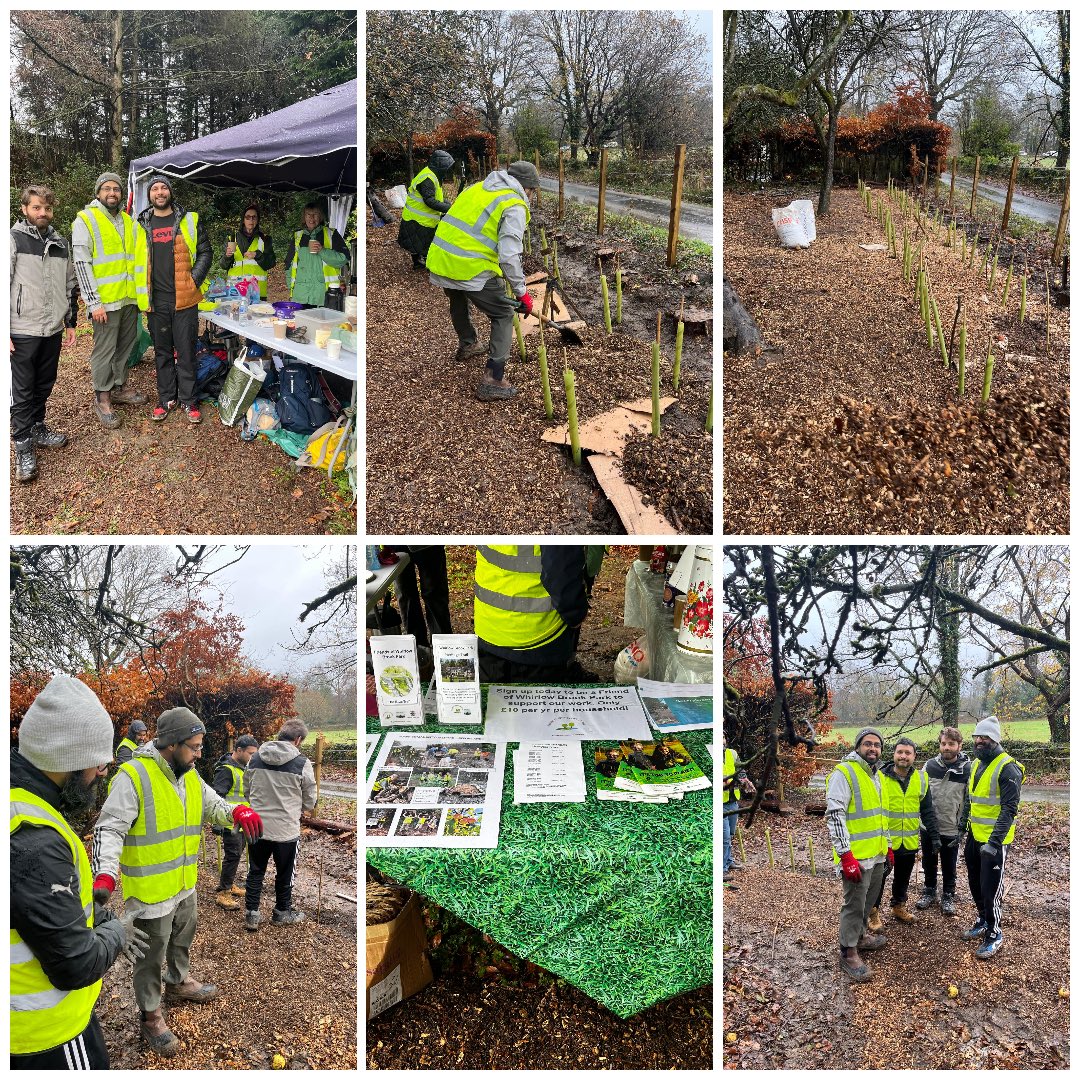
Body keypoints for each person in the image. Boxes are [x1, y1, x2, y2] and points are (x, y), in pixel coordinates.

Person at [92, 707, 263, 1058]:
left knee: (183, 935)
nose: (200, 753)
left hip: (184, 883)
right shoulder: (133, 776)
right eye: (195, 746)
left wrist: (236, 811)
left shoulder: (188, 773)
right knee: (150, 954)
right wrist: (106, 871)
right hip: (151, 891)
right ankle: (151, 1014)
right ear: (171, 744)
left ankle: (178, 982)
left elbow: (212, 804)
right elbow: (108, 828)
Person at [11, 676, 150, 1071]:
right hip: (42, 1037)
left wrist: (97, 915)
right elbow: (75, 963)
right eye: (98, 761)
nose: (103, 772)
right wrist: (115, 931)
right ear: (68, 759)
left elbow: (40, 911)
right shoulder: (34, 839)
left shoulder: (20, 805)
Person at [426, 160, 540, 401]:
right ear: (528, 188)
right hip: (468, 265)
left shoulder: (478, 188)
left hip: (441, 258)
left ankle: (468, 344)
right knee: (502, 314)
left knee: (458, 296)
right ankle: (493, 379)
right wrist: (522, 293)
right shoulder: (514, 204)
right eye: (533, 191)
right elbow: (509, 256)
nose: (531, 195)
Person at [10, 184, 77, 483]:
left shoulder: (61, 242)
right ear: (25, 209)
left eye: (47, 208)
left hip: (52, 328)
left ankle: (37, 426)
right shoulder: (12, 239)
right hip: (22, 328)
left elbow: (69, 284)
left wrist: (70, 321)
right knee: (22, 390)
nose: (42, 213)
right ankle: (22, 446)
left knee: (44, 382)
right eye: (36, 207)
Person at [133, 174, 212, 424]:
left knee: (187, 352)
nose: (159, 192)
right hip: (156, 301)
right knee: (162, 352)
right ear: (149, 195)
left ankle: (189, 401)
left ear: (170, 192)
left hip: (185, 299)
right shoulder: (141, 223)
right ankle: (166, 398)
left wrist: (193, 280)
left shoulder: (189, 219)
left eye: (163, 188)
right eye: (154, 188)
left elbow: (205, 252)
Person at [72, 171, 146, 429]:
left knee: (126, 346)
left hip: (128, 299)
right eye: (107, 189)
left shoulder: (129, 222)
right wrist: (93, 302)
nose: (112, 193)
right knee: (104, 351)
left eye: (116, 189)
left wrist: (140, 298)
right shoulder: (86, 220)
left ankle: (118, 387)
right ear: (98, 193)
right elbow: (82, 264)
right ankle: (102, 398)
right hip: (104, 303)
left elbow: (138, 262)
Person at [825, 727, 893, 982]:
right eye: (867, 743)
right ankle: (848, 950)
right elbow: (835, 815)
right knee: (854, 904)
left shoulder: (877, 777)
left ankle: (861, 936)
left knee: (868, 901)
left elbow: (881, 816)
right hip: (855, 857)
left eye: (877, 744)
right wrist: (845, 855)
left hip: (875, 854)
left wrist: (887, 847)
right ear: (857, 747)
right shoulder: (844, 773)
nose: (873, 748)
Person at [473, 544, 593, 682]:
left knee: (493, 701)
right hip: (537, 639)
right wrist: (575, 615)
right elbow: (560, 573)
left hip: (488, 629)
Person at [242, 719, 318, 931]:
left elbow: (246, 789)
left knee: (255, 870)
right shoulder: (302, 763)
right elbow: (310, 800)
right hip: (286, 830)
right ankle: (282, 912)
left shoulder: (255, 758)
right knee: (285, 873)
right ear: (298, 739)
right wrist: (297, 807)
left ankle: (251, 913)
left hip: (257, 827)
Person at [960, 716, 1024, 959]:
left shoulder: (1008, 768)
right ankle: (983, 919)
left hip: (995, 841)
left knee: (991, 888)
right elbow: (971, 800)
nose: (978, 741)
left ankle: (994, 933)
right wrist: (961, 828)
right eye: (976, 737)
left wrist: (994, 843)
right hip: (975, 835)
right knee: (975, 883)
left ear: (995, 739)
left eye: (984, 737)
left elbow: (1009, 808)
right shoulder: (976, 764)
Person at [871, 737, 939, 928]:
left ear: (914, 756)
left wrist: (934, 836)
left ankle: (898, 906)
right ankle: (873, 913)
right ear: (893, 754)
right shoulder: (880, 778)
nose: (903, 756)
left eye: (908, 753)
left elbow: (927, 810)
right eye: (900, 752)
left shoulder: (921, 778)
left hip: (908, 840)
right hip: (885, 842)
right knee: (879, 880)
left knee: (903, 877)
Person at [915, 727, 971, 916]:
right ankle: (929, 890)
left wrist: (963, 826)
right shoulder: (929, 766)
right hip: (928, 826)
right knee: (928, 862)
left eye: (951, 744)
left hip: (951, 827)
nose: (946, 747)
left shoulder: (967, 770)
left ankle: (948, 894)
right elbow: (920, 793)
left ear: (959, 745)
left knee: (949, 863)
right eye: (943, 743)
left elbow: (969, 801)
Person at [212, 735, 260, 910]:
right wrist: (218, 823)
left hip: (243, 822)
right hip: (230, 823)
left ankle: (229, 884)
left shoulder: (243, 768)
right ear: (238, 750)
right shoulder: (226, 770)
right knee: (232, 857)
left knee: (236, 855)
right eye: (250, 753)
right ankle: (223, 893)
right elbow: (218, 797)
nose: (253, 757)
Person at [397, 150, 455, 270]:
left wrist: (445, 202)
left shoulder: (431, 175)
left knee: (420, 243)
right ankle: (425, 264)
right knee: (424, 244)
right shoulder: (427, 178)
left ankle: (420, 263)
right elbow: (430, 200)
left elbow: (435, 196)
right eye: (446, 167)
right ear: (440, 165)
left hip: (421, 218)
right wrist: (449, 208)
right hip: (418, 219)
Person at [285, 202, 349, 309]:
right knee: (301, 325)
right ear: (304, 217)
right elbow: (288, 265)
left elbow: (343, 259)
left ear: (320, 216)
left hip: (325, 296)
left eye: (315, 214)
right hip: (301, 295)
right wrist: (291, 288)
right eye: (308, 214)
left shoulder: (331, 234)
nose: (311, 218)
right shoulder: (297, 236)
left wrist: (322, 251)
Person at [390, 545, 453, 651]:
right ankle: (417, 650)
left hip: (429, 544)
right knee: (406, 596)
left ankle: (443, 648)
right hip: (396, 545)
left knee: (435, 594)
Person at [220, 205, 276, 301]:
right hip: (234, 292)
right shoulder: (232, 238)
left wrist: (257, 255)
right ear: (243, 220)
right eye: (248, 217)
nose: (251, 220)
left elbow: (271, 263)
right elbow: (223, 265)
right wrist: (227, 256)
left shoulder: (264, 239)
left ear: (258, 220)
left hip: (256, 294)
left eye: (254, 217)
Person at [722, 733, 756, 889]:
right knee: (723, 836)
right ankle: (721, 869)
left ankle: (728, 862)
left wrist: (745, 781)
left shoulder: (732, 753)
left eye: (722, 737)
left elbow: (740, 771)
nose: (721, 740)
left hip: (732, 801)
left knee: (730, 834)